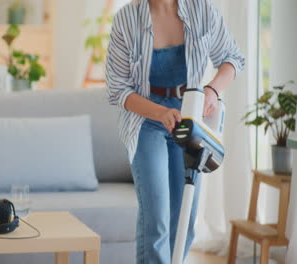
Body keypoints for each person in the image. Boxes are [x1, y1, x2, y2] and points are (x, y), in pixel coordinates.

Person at [105, 0, 245, 263]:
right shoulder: (126, 20)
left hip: (190, 119)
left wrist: (212, 90)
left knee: (185, 219)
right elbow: (118, 89)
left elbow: (232, 58)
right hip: (146, 120)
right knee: (156, 219)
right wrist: (159, 112)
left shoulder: (201, 9)